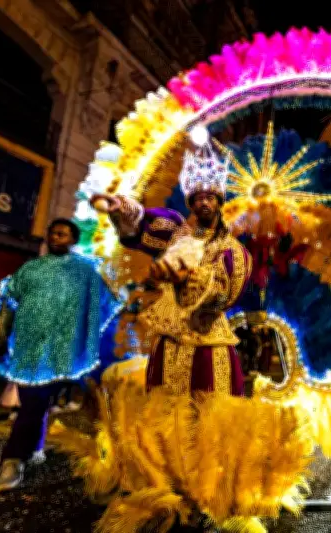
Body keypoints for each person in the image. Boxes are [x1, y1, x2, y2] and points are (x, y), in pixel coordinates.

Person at [101, 145, 252, 397]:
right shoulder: (175, 233)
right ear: (191, 204)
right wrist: (121, 208)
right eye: (198, 198)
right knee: (164, 415)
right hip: (169, 340)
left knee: (208, 415)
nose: (204, 202)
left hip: (208, 344)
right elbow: (140, 226)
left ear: (219, 202)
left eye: (210, 197)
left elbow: (226, 295)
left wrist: (189, 279)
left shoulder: (234, 252)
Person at [0, 219, 121, 492]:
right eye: (53, 232)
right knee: (32, 407)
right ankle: (21, 454)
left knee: (84, 406)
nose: (57, 236)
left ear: (73, 240)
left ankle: (15, 459)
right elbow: (9, 304)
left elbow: (108, 302)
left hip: (70, 353)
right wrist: (0, 341)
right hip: (30, 351)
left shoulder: (85, 272)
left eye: (64, 233)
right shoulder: (30, 269)